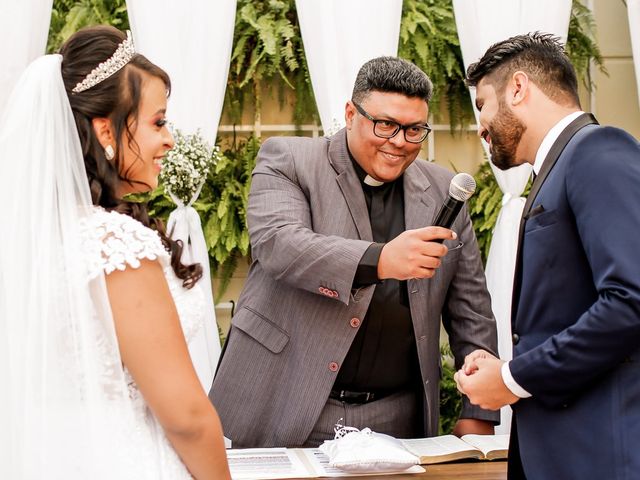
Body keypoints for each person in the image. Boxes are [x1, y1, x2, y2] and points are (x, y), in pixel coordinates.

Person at [210, 56, 499, 448]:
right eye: (385, 125)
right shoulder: (288, 159)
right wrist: (380, 260)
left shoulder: (444, 189)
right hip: (285, 399)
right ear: (350, 113)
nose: (399, 141)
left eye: (414, 130)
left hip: (396, 418)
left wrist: (479, 411)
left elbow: (471, 309)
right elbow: (279, 243)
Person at [0, 26, 230, 479]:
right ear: (106, 129)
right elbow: (186, 418)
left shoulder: (45, 238)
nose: (169, 140)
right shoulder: (113, 245)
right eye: (158, 121)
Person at [454, 32, 640, 479]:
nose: (479, 126)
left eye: (482, 104)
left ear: (518, 88)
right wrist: (503, 368)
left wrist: (513, 379)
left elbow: (630, 301)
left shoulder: (598, 150)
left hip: (598, 457)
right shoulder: (556, 168)